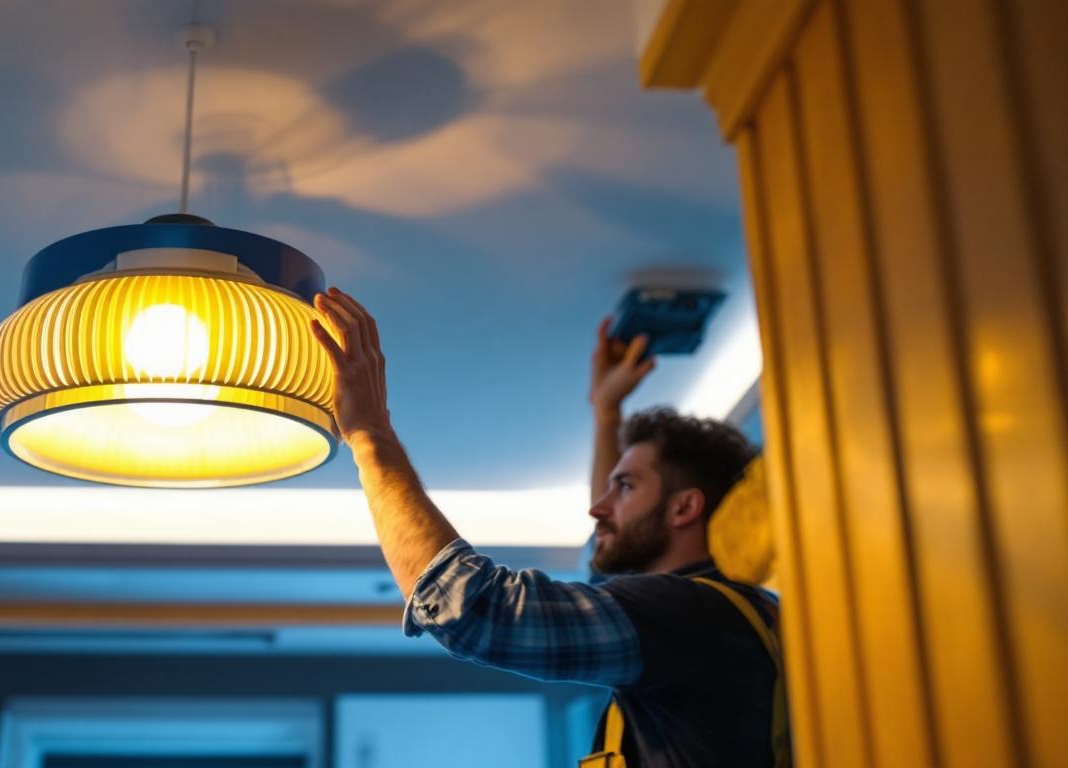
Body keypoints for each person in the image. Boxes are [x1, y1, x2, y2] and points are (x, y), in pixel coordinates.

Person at [310, 287, 787, 768]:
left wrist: (370, 435)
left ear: (684, 508)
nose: (598, 508)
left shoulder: (687, 613)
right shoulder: (734, 614)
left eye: (623, 488)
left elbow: (475, 612)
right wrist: (606, 413)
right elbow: (609, 573)